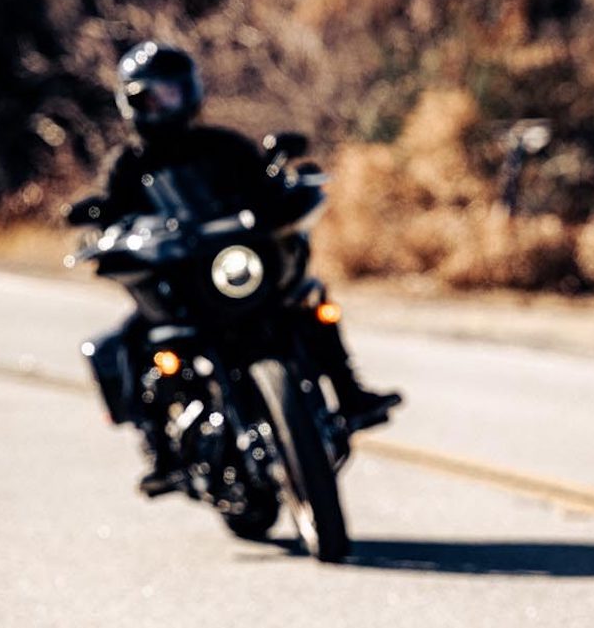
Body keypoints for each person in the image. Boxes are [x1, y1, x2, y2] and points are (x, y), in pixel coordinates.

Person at [81, 41, 400, 498]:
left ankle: (351, 392)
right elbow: (111, 216)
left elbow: (264, 187)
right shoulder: (129, 166)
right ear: (133, 101)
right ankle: (161, 452)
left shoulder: (223, 146)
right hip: (181, 284)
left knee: (311, 299)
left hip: (232, 270)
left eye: (172, 92)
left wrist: (284, 186)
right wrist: (100, 225)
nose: (164, 104)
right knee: (131, 345)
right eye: (153, 95)